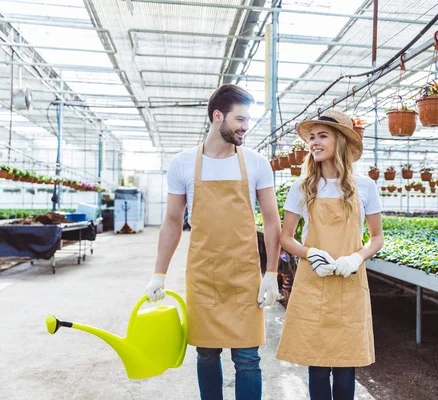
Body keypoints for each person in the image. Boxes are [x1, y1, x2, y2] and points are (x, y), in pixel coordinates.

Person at [145, 84, 281, 400]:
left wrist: (271, 273)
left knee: (247, 358)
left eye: (248, 120)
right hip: (204, 275)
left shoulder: (257, 163)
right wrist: (159, 273)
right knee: (206, 354)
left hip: (245, 275)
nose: (246, 126)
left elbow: (272, 222)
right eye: (240, 119)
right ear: (217, 116)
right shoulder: (182, 164)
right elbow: (172, 222)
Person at [276, 109, 384, 400]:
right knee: (318, 366)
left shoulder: (365, 187)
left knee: (346, 367)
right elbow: (286, 238)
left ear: (341, 142)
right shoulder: (302, 187)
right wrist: (311, 253)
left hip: (349, 283)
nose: (314, 142)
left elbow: (377, 238)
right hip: (314, 281)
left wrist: (356, 258)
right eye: (311, 137)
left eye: (323, 136)